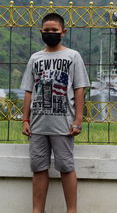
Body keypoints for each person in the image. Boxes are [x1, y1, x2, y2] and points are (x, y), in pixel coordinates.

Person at [21, 13, 90, 213]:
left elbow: (79, 89)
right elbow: (28, 90)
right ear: (41, 32)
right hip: (38, 125)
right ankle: (37, 210)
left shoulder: (72, 56)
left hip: (64, 125)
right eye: (47, 31)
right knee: (39, 169)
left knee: (66, 168)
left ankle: (72, 210)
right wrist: (25, 119)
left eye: (55, 31)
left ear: (63, 32)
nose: (50, 34)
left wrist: (78, 119)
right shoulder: (35, 58)